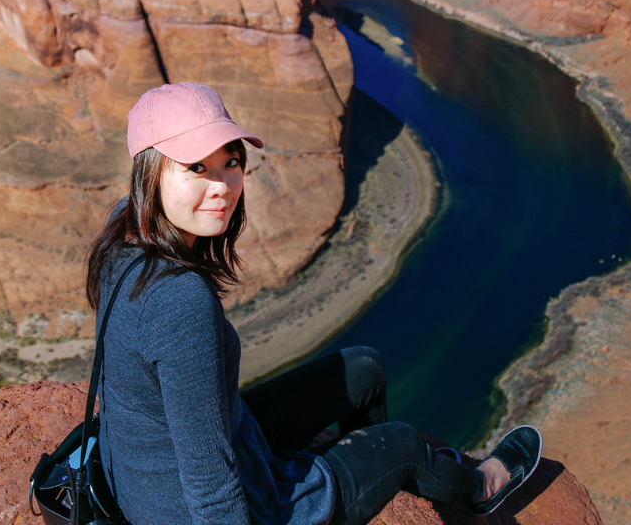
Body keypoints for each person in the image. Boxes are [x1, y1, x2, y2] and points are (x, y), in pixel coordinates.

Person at [85, 81, 541, 525]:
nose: (223, 185)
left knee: (363, 368)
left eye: (231, 161)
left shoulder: (122, 231)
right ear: (151, 172)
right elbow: (210, 486)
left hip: (170, 463)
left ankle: (368, 474)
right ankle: (480, 488)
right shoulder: (180, 300)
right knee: (402, 446)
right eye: (196, 168)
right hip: (209, 508)